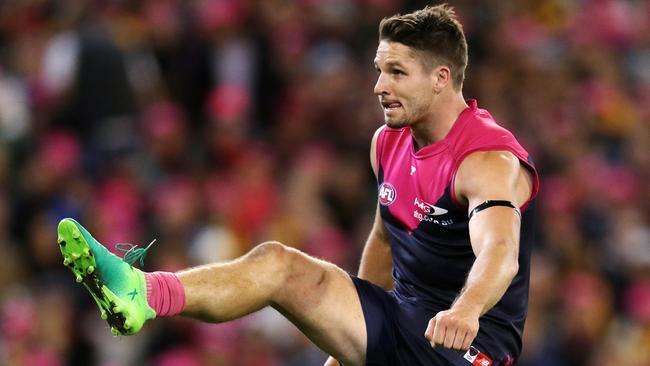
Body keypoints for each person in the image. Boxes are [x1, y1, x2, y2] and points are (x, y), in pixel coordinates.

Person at [57, 4, 538, 366]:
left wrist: (466, 312)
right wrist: (350, 339)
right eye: (378, 70)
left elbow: (500, 251)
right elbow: (385, 239)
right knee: (275, 261)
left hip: (465, 347)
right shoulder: (388, 142)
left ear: (440, 78)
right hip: (405, 325)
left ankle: (141, 292)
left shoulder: (486, 159)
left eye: (396, 72)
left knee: (283, 268)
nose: (379, 86)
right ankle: (142, 293)